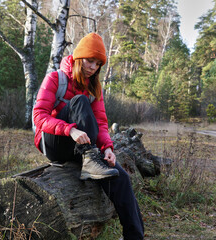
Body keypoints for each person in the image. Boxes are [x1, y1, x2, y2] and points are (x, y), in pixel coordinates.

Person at [33, 33, 144, 240]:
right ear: (78, 57)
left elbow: (101, 123)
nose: (93, 67)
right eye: (89, 60)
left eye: (98, 63)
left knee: (120, 177)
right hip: (53, 143)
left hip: (85, 149)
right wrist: (70, 130)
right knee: (79, 102)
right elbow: (39, 116)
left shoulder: (94, 87)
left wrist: (108, 148)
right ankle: (90, 159)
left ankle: (134, 236)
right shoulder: (56, 78)